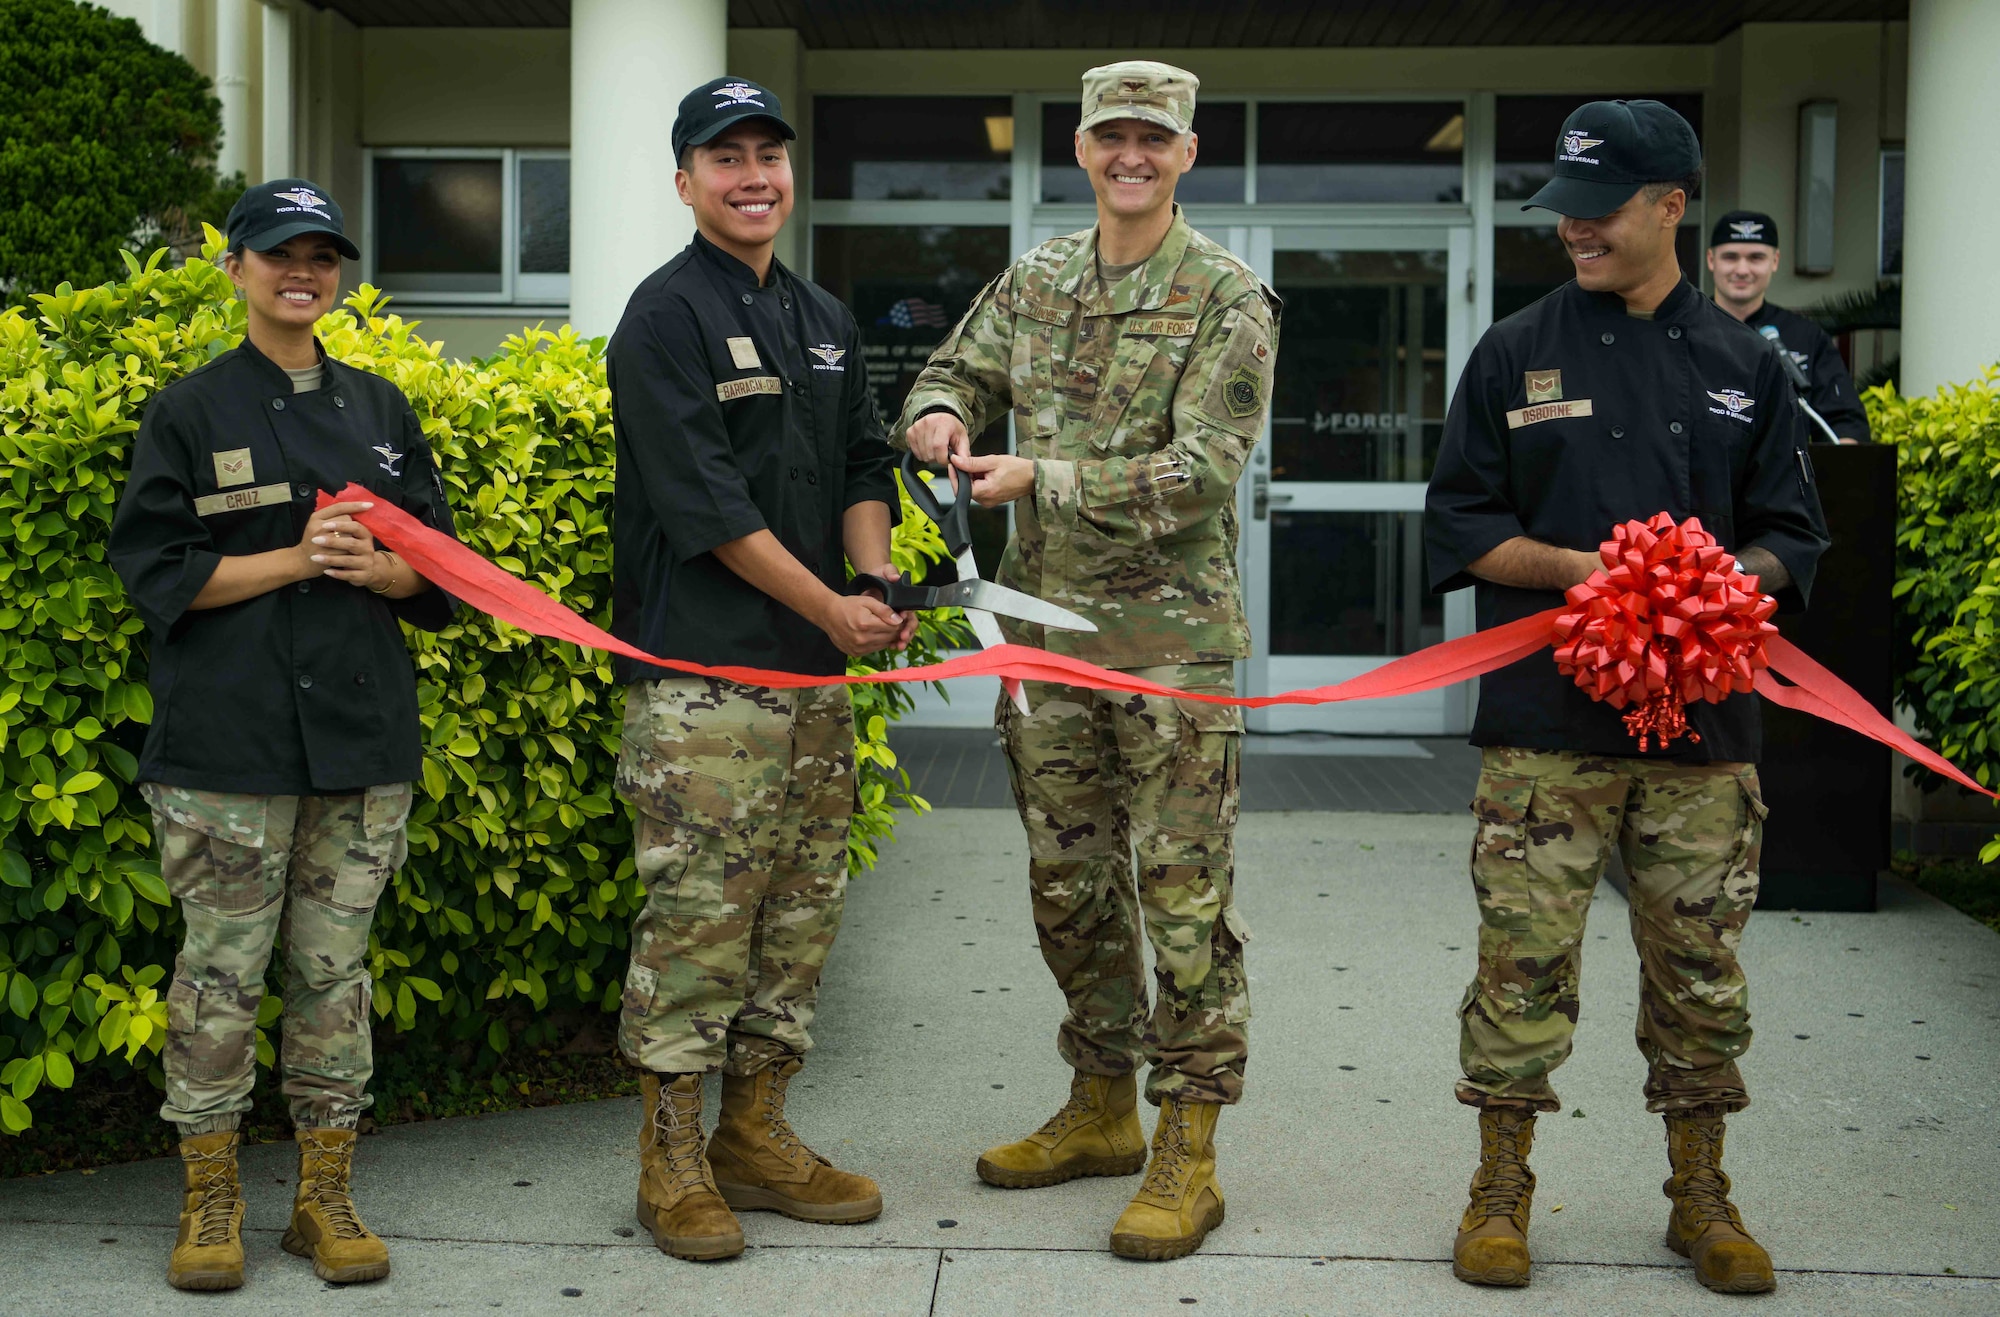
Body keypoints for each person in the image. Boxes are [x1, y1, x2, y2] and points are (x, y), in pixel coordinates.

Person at [1423, 101, 1829, 1296]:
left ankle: (1697, 1194)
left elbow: (1791, 539)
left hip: (1703, 737)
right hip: (1545, 733)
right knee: (1520, 970)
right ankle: (1498, 1191)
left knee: (1700, 978)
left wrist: (1704, 582)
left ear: (1672, 206)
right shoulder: (1512, 350)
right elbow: (1460, 525)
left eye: (1598, 212)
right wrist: (1589, 575)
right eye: (1564, 213)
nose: (1574, 233)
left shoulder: (1750, 365)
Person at [900, 60, 1277, 1262]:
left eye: (1151, 138)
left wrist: (1039, 478)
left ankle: (1188, 1144)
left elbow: (1205, 468)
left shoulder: (1228, 294)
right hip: (1045, 638)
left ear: (1184, 152)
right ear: (1079, 148)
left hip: (1169, 648)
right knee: (1068, 887)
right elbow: (951, 369)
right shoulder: (1041, 276)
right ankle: (1101, 1103)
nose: (1130, 155)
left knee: (1182, 897)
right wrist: (939, 417)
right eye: (1111, 136)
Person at [108, 179, 458, 1292]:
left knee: (332, 975)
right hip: (229, 746)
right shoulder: (190, 409)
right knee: (218, 975)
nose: (300, 273)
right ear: (238, 270)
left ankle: (323, 1194)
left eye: (321, 256)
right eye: (278, 255)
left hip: (359, 741)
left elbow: (440, 577)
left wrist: (382, 568)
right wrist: (296, 560)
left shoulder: (381, 410)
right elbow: (155, 571)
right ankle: (210, 1196)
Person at [605, 76, 914, 1264]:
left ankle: (756, 1135)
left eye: (767, 156)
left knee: (796, 917)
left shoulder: (823, 316)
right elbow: (708, 506)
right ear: (683, 180)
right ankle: (669, 1160)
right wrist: (832, 606)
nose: (751, 176)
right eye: (723, 156)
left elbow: (862, 461)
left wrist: (874, 582)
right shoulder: (662, 317)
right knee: (696, 923)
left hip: (812, 684)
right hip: (704, 687)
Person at [1706, 210, 1872, 443]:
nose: (1742, 270)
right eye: (1730, 257)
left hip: (1786, 476)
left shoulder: (1806, 336)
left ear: (1774, 261)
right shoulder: (1686, 329)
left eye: (1756, 257)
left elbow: (1845, 423)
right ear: (1711, 260)